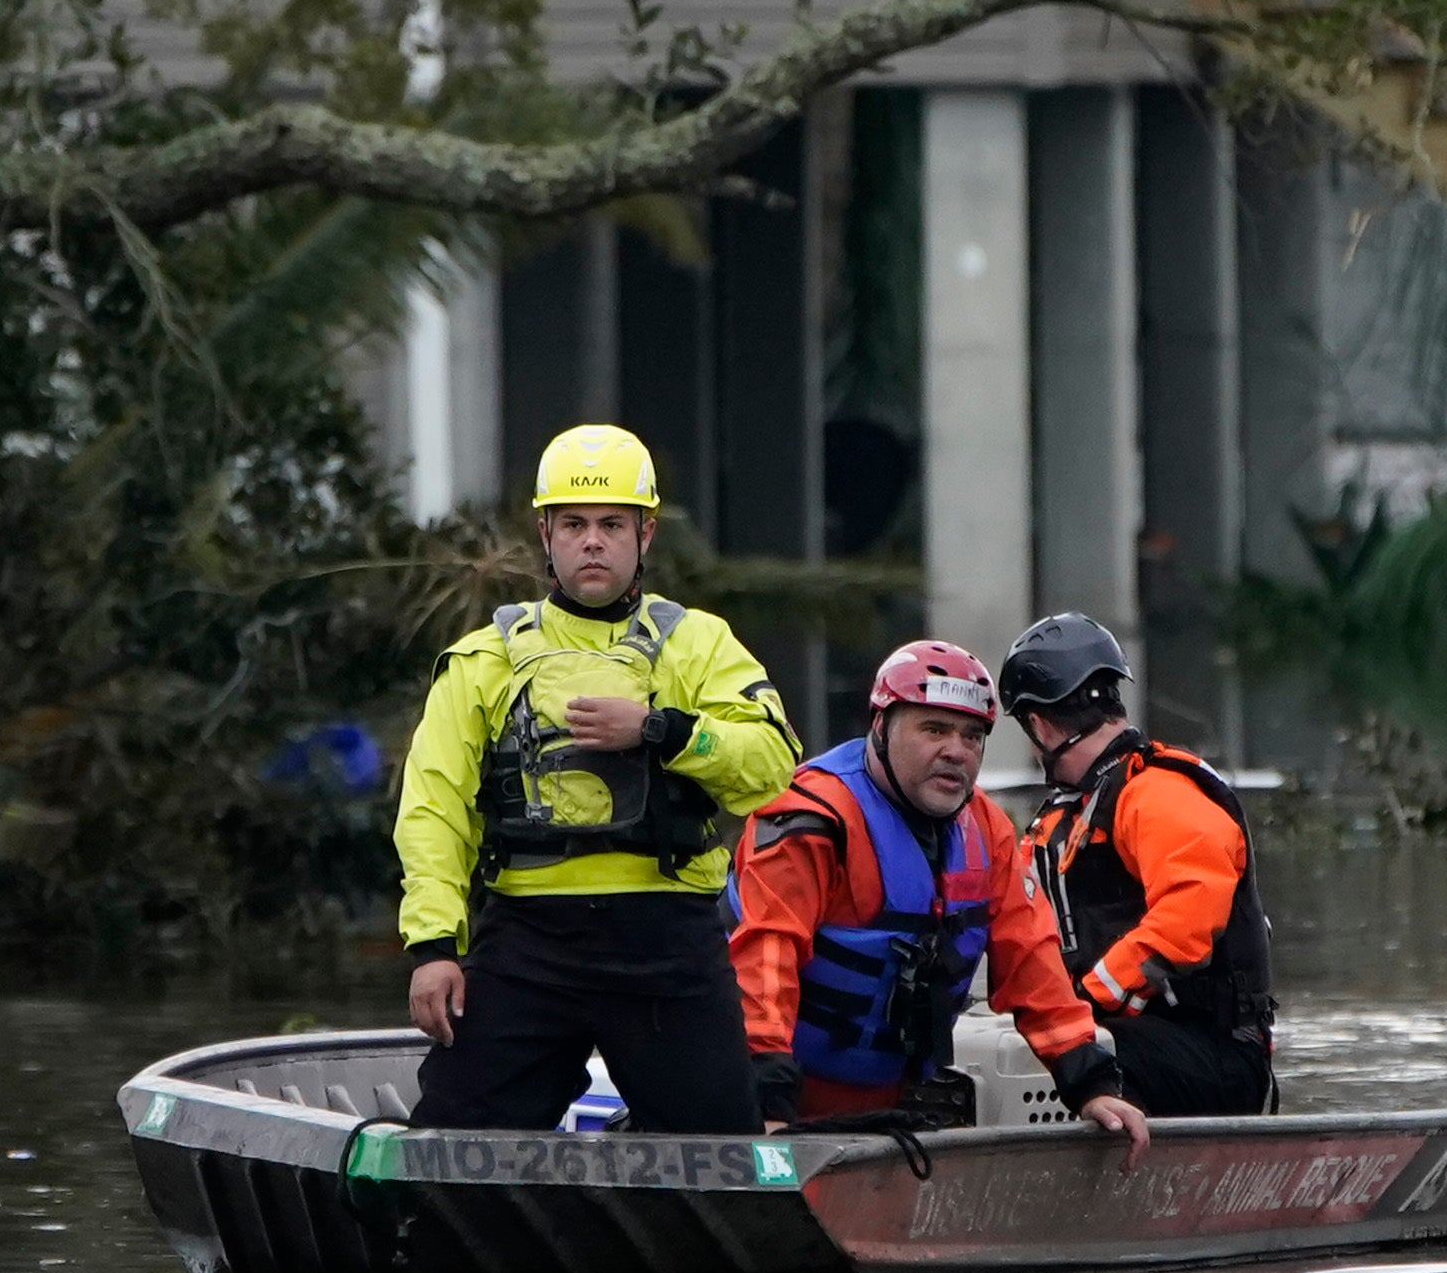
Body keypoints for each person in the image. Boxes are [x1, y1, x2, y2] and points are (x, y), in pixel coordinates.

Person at [393, 424, 802, 1135]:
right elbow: (434, 809)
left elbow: (772, 767)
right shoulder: (484, 659)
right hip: (529, 941)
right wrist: (433, 949)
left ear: (645, 536)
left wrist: (661, 729)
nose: (592, 541)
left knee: (720, 1148)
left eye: (612, 524)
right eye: (574, 524)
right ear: (544, 534)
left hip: (668, 941)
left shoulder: (699, 644)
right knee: (451, 1137)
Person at [732, 639, 1151, 1153]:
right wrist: (768, 1107)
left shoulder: (987, 830)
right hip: (771, 1099)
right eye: (934, 729)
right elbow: (763, 960)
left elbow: (1033, 960)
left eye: (973, 736)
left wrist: (1092, 1086)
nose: (957, 750)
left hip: (885, 1106)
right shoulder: (811, 820)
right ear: (882, 728)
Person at [999, 610, 1278, 1117]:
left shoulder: (1156, 792)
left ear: (1037, 725)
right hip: (1129, 1034)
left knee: (1049, 1054)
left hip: (1213, 1057)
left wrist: (1081, 1003)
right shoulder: (1067, 816)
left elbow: (1187, 919)